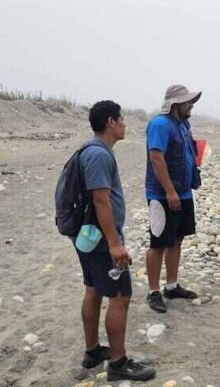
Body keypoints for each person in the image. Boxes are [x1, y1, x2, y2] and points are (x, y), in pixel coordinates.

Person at [74, 100, 155, 380]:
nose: (124, 123)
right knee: (120, 296)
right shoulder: (98, 155)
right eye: (121, 119)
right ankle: (118, 363)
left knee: (94, 289)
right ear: (110, 122)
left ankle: (93, 351)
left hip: (89, 235)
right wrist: (114, 243)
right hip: (100, 238)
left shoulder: (93, 150)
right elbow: (100, 200)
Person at [144, 84, 202, 313]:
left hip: (184, 191)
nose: (191, 106)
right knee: (158, 243)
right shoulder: (160, 124)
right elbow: (156, 158)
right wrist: (169, 191)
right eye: (188, 102)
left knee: (178, 238)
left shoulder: (183, 124)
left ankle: (171, 285)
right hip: (162, 195)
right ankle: (153, 291)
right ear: (175, 104)